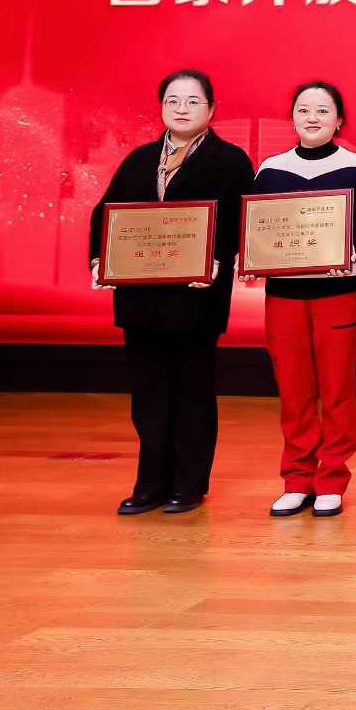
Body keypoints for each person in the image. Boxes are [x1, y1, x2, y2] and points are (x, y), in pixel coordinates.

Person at [91, 68, 253, 515]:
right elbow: (106, 213)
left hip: (197, 297)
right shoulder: (139, 159)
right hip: (141, 301)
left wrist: (219, 258)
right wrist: (100, 260)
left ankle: (189, 485)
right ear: (162, 107)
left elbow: (243, 220)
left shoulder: (231, 161)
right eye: (173, 101)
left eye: (193, 101)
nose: (182, 109)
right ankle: (150, 484)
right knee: (148, 393)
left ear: (211, 109)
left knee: (192, 390)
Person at [243, 81, 356, 518]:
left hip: (340, 293)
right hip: (285, 296)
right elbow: (257, 231)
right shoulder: (271, 170)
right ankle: (297, 478)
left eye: (323, 110)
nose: (312, 117)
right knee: (294, 391)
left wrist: (351, 254)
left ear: (339, 120)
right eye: (303, 109)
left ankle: (332, 478)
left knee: (337, 390)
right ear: (293, 118)